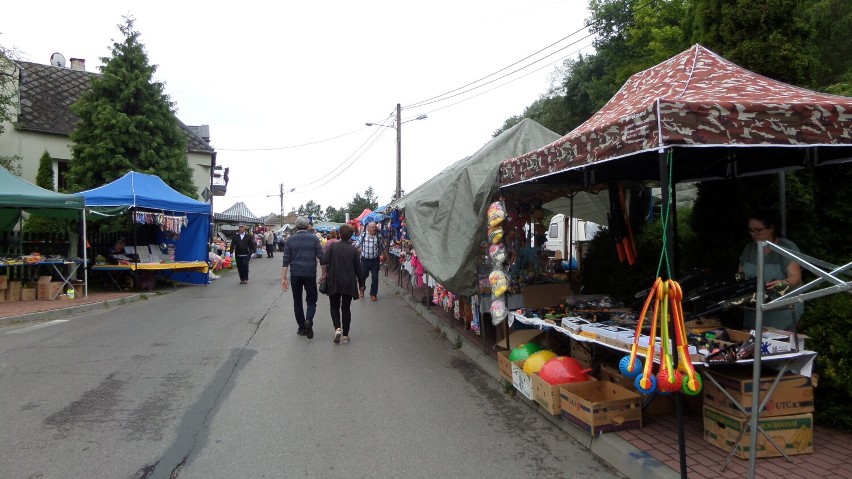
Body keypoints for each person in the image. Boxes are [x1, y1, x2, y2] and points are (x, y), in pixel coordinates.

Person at [738, 209, 803, 331]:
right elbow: (740, 275)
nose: (754, 234)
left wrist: (783, 283)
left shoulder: (786, 248)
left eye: (758, 230)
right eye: (751, 230)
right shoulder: (749, 249)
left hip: (781, 315)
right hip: (753, 313)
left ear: (772, 228)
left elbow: (795, 277)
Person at [282, 216, 326, 339]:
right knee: (311, 299)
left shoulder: (290, 240)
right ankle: (309, 319)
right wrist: (324, 273)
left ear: (296, 227)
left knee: (297, 301)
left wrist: (283, 278)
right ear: (308, 226)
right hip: (310, 273)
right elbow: (321, 257)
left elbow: (286, 261)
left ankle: (301, 328)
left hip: (295, 274)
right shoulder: (314, 239)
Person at [320, 224, 364, 344]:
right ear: (351, 236)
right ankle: (345, 335)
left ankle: (337, 328)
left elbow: (324, 260)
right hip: (349, 282)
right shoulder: (353, 250)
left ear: (339, 234)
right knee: (346, 308)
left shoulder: (333, 246)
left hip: (334, 280)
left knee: (334, 306)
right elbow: (358, 269)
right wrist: (361, 285)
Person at [357, 221, 385, 301]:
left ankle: (373, 294)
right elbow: (357, 245)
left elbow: (383, 247)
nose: (374, 228)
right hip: (364, 260)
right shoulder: (363, 235)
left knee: (375, 277)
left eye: (375, 227)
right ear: (368, 228)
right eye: (373, 227)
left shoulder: (379, 236)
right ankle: (362, 289)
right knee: (362, 277)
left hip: (375, 261)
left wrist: (386, 257)